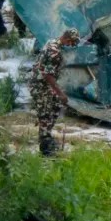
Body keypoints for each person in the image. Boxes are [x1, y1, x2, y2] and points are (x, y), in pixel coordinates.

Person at [29, 27, 80, 156]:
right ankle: (45, 146)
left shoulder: (52, 42)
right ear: (67, 40)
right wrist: (60, 93)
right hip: (41, 85)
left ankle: (47, 136)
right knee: (46, 114)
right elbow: (48, 75)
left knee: (55, 107)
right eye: (72, 43)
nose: (73, 46)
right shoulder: (55, 52)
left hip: (45, 84)